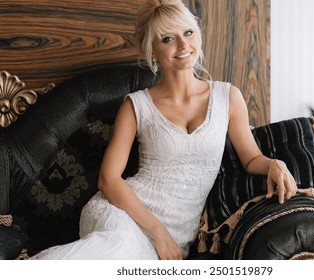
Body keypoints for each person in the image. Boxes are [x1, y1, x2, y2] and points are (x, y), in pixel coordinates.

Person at [30, 0, 297, 260]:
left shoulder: (228, 97)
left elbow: (250, 159)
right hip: (121, 214)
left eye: (188, 32)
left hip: (178, 231)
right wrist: (158, 231)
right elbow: (108, 180)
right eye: (168, 39)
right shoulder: (136, 106)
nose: (183, 45)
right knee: (118, 247)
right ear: (152, 50)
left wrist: (275, 164)